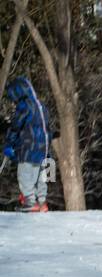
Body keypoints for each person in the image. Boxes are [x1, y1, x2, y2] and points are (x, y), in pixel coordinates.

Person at [3, 77, 52, 213]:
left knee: (24, 174)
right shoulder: (41, 106)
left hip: (28, 149)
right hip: (44, 149)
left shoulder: (24, 106)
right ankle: (42, 202)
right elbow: (47, 129)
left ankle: (30, 201)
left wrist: (9, 144)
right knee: (40, 177)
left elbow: (16, 127)